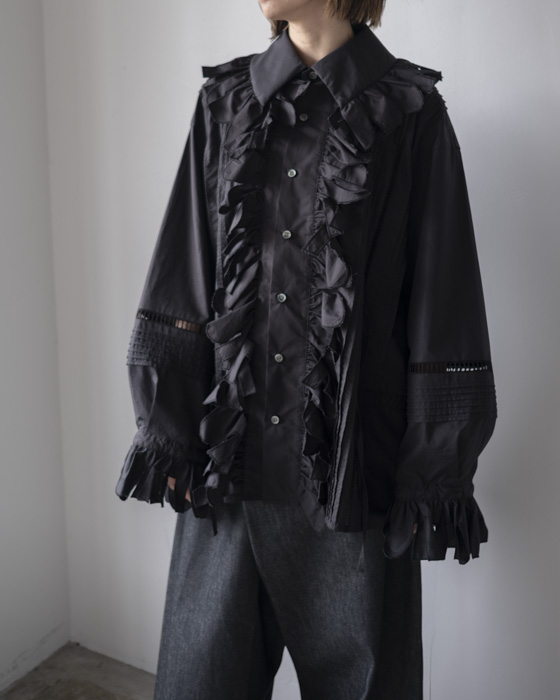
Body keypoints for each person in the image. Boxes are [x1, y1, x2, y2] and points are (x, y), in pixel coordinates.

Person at [115, 1, 498, 698]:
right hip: (229, 476)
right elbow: (185, 266)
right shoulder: (226, 104)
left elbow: (443, 301)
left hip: (354, 483)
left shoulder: (409, 113)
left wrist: (435, 464)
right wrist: (167, 421)